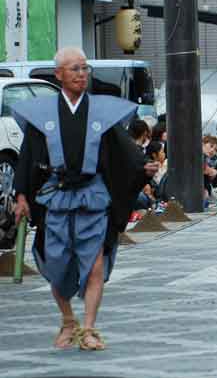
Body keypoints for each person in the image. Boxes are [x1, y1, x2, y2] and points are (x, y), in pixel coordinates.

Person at [12, 47, 158, 350]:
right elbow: (28, 157)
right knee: (56, 265)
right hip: (57, 197)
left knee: (94, 265)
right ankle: (68, 319)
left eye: (84, 68)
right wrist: (22, 194)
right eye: (74, 69)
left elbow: (124, 151)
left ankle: (89, 328)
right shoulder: (44, 114)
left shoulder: (101, 113)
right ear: (59, 75)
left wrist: (143, 167)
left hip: (93, 197)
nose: (81, 74)